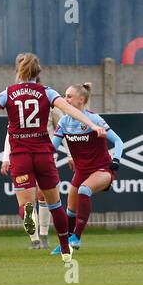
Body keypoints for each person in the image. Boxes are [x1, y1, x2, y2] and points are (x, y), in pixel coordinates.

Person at [0, 53, 107, 263]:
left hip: (20, 155)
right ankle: (64, 249)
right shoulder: (47, 92)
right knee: (55, 205)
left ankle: (28, 216)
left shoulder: (8, 93)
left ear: (19, 71)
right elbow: (70, 110)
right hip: (43, 154)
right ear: (39, 72)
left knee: (26, 204)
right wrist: (93, 125)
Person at [50, 83, 123, 255]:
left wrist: (116, 161)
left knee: (84, 190)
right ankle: (65, 244)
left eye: (69, 96)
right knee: (70, 209)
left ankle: (76, 237)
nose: (65, 99)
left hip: (102, 169)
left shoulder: (94, 119)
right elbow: (52, 147)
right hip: (81, 172)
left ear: (81, 100)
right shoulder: (64, 121)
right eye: (64, 95)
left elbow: (119, 141)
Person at [1, 106, 74, 250]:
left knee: (29, 201)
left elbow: (62, 128)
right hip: (43, 154)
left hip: (23, 155)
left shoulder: (19, 104)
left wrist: (6, 158)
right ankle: (39, 238)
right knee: (45, 197)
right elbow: (64, 130)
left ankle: (40, 237)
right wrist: (70, 154)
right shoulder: (47, 100)